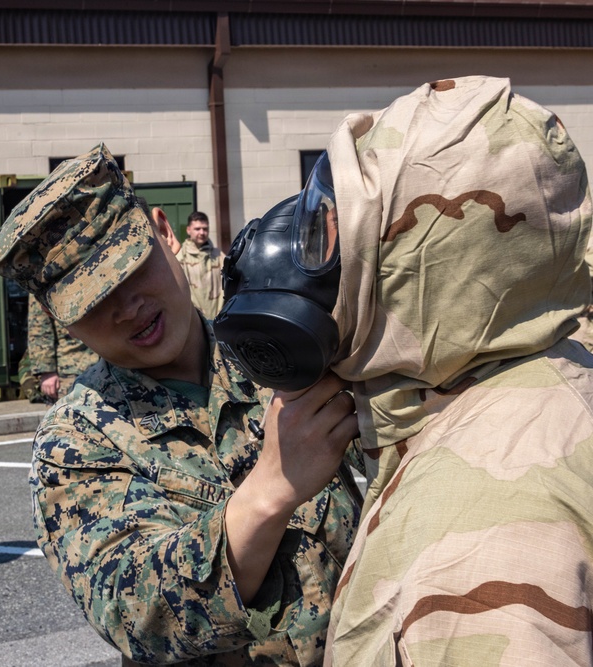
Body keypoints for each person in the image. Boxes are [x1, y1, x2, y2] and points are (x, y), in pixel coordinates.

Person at [216, 76, 593, 665]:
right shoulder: (547, 371)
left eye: (339, 225)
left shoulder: (470, 551)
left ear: (423, 261)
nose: (310, 249)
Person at [0, 144, 362, 665]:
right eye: (92, 300)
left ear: (164, 232)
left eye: (131, 268)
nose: (126, 308)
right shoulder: (76, 440)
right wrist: (271, 489)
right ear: (59, 319)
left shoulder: (279, 351)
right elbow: (138, 614)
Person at [25, 293, 99, 402]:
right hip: (71, 367)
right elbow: (39, 325)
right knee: (73, 409)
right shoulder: (43, 282)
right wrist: (46, 371)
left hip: (108, 359)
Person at [176, 211, 226, 320]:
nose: (202, 233)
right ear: (188, 230)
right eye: (197, 229)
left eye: (205, 229)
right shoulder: (180, 259)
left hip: (218, 320)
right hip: (193, 322)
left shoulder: (219, 256)